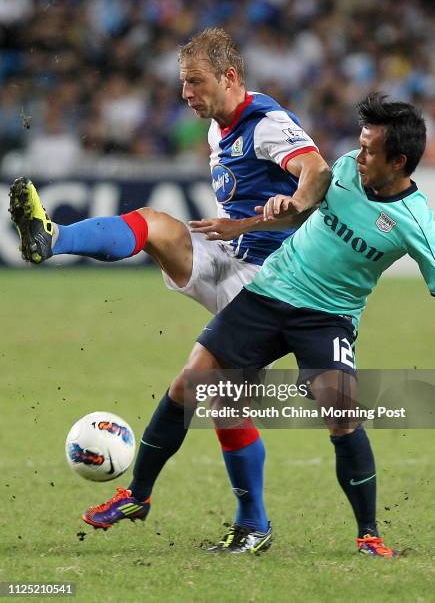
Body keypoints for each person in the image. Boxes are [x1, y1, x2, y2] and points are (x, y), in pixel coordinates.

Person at [8, 28, 330, 550]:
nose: (186, 95)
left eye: (194, 83)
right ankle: (53, 238)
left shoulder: (265, 123)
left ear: (229, 78)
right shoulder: (218, 128)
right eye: (183, 84)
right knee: (155, 224)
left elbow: (316, 173)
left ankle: (244, 522)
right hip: (231, 258)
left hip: (270, 282)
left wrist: (287, 205)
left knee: (212, 396)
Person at [84, 93, 434, 556]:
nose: (359, 154)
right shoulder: (348, 168)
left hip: (328, 317)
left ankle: (369, 533)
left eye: (371, 150)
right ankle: (136, 496)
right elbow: (303, 210)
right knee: (190, 384)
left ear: (400, 161)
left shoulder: (416, 222)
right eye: (361, 143)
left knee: (342, 413)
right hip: (270, 292)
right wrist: (249, 223)